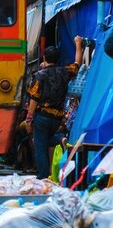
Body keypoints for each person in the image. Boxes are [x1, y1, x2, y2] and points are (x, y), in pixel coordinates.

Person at [26, 36, 84, 179]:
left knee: (40, 145)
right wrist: (78, 44)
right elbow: (78, 63)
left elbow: (34, 98)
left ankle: (43, 175)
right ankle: (60, 139)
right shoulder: (65, 72)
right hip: (58, 118)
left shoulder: (40, 75)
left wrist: (29, 118)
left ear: (44, 57)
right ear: (58, 59)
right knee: (49, 139)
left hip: (42, 116)